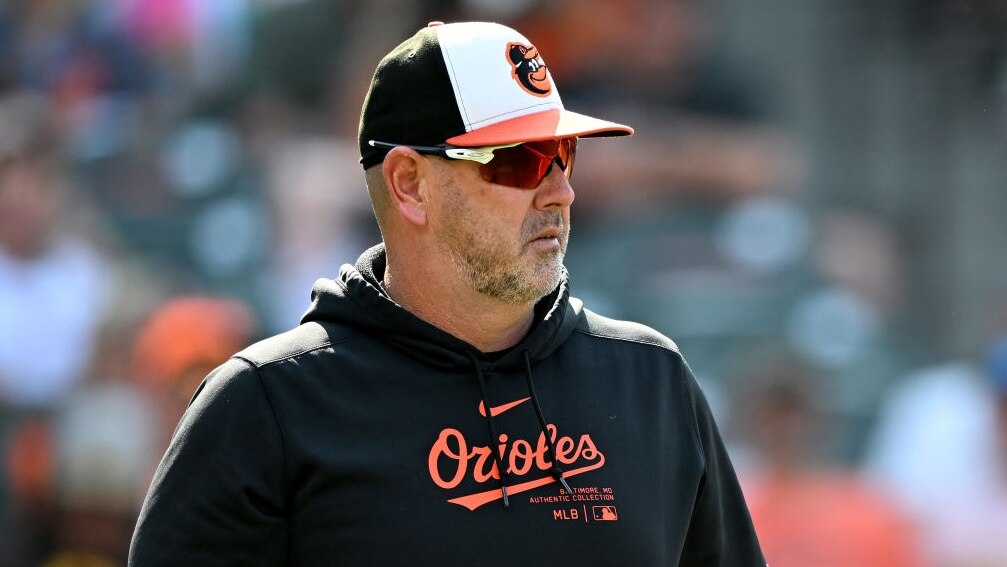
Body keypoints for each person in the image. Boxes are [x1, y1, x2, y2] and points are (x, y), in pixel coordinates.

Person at [128, 21, 765, 566]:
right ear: (409, 184)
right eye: (518, 159)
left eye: (563, 153)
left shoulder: (651, 382)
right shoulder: (266, 408)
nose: (561, 192)